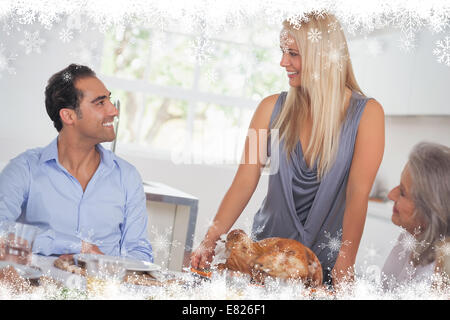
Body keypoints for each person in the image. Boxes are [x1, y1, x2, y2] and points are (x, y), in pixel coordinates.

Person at [191, 13, 385, 286]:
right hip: (265, 263)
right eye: (282, 52)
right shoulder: (269, 109)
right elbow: (245, 180)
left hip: (322, 267)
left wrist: (346, 261)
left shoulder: (368, 115)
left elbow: (357, 193)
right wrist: (209, 240)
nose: (283, 62)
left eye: (293, 53)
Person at [0, 64, 153, 262]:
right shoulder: (24, 169)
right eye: (100, 103)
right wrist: (76, 246)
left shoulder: (127, 176)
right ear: (69, 116)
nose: (114, 111)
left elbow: (139, 252)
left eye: (109, 99)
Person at [381, 142, 450, 290]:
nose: (391, 195)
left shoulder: (436, 279)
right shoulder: (408, 238)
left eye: (402, 192)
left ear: (430, 211)